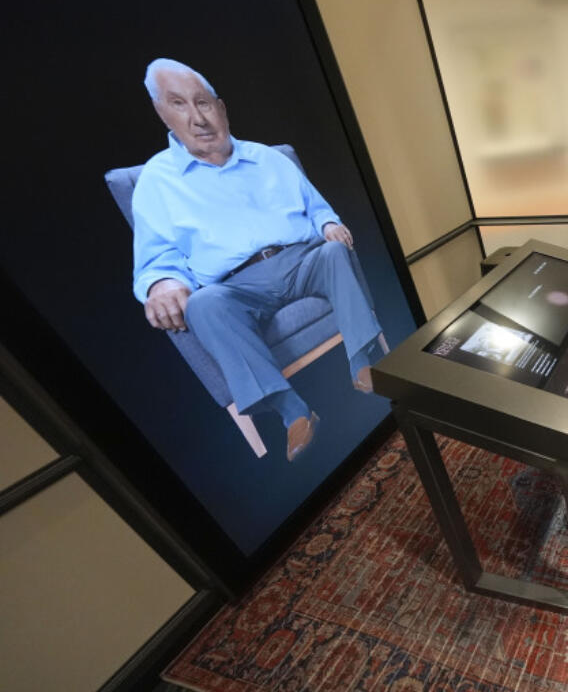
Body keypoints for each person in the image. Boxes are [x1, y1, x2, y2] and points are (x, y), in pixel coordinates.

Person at [132, 58, 384, 462]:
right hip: (235, 286)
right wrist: (160, 284)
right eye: (179, 104)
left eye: (204, 103)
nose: (198, 118)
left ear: (222, 107)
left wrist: (329, 223)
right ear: (163, 113)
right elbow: (155, 259)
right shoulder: (154, 183)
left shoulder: (270, 158)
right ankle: (293, 413)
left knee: (336, 252)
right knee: (203, 304)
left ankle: (362, 362)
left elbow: (317, 208)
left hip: (300, 260)